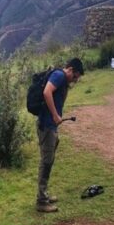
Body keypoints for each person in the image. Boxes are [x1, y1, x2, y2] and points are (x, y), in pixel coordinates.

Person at [36, 57, 84, 213]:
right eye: (75, 76)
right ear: (70, 69)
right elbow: (46, 92)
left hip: (51, 126)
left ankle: (44, 195)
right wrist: (56, 115)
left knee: (48, 160)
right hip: (47, 125)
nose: (75, 80)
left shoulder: (62, 79)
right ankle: (42, 201)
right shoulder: (59, 76)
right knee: (47, 161)